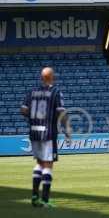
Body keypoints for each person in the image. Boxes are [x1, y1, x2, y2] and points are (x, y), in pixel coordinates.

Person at [21, 67, 71, 208]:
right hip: (48, 132)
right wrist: (67, 129)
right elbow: (62, 113)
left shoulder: (32, 91)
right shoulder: (55, 92)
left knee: (39, 163)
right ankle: (45, 200)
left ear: (42, 77)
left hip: (34, 131)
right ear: (52, 77)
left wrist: (35, 116)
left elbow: (23, 110)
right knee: (48, 164)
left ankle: (35, 197)